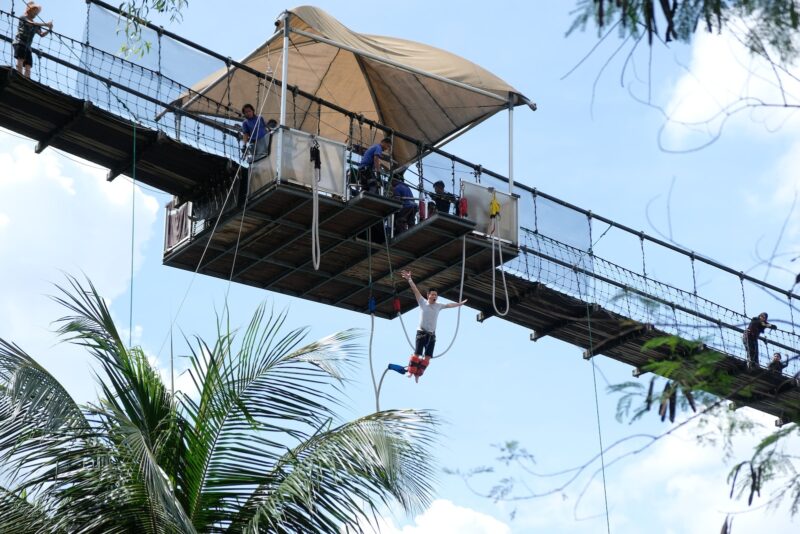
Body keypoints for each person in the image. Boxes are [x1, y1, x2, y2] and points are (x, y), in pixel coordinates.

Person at [388, 270, 467, 382]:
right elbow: (415, 290)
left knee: (428, 357)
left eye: (436, 295)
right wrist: (409, 279)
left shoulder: (439, 305)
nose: (434, 296)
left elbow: (449, 305)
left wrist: (459, 304)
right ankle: (411, 372)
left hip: (431, 335)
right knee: (417, 354)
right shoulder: (422, 302)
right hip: (421, 333)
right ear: (428, 295)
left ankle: (418, 374)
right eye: (432, 294)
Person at [13, 2, 52, 79]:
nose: (36, 14)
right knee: (20, 60)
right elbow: (30, 23)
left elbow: (41, 34)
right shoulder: (23, 17)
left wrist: (49, 29)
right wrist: (45, 24)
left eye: (37, 13)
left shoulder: (36, 24)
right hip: (20, 42)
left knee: (28, 64)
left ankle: (27, 79)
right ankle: (19, 76)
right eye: (35, 12)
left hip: (28, 46)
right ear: (30, 10)